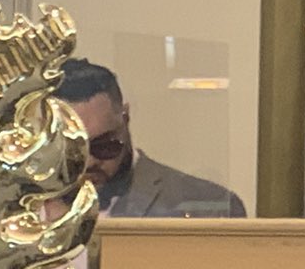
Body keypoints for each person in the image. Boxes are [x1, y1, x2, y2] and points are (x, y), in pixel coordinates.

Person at [59, 59, 247, 219]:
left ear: (125, 118)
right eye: (73, 150)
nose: (89, 161)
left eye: (104, 145)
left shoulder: (208, 207)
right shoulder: (40, 206)